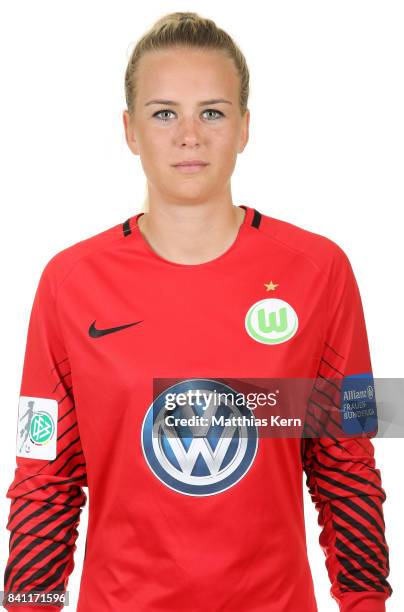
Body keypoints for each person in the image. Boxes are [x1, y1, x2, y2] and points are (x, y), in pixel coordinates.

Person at [2, 11, 392, 612]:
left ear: (243, 128)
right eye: (165, 113)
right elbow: (45, 479)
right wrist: (30, 605)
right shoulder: (70, 282)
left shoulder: (317, 272)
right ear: (130, 130)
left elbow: (346, 463)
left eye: (212, 111)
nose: (190, 135)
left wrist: (365, 605)